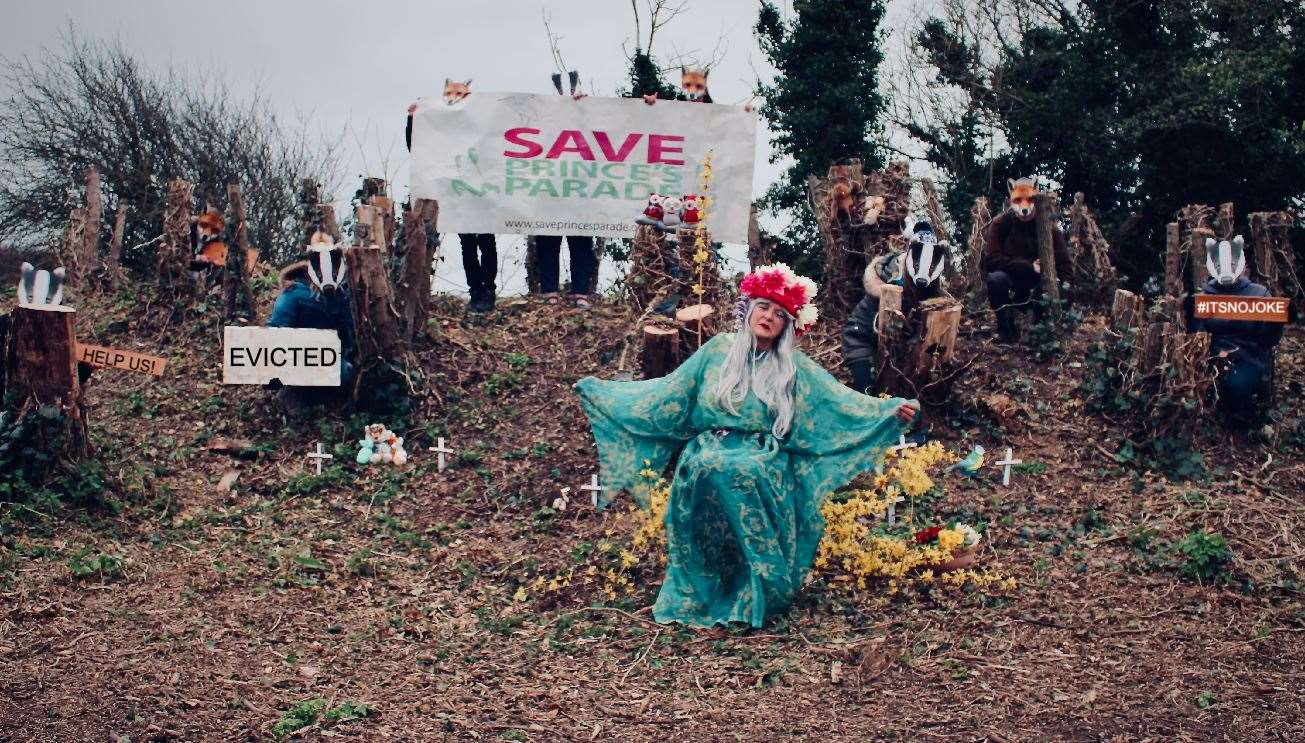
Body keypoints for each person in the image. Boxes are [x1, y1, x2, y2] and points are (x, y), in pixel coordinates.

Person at [575, 263, 918, 628]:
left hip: (762, 457)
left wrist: (888, 411)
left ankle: (756, 589)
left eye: (779, 313)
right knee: (711, 466)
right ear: (748, 308)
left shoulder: (792, 367)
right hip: (709, 449)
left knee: (743, 469)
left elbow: (840, 403)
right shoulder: (717, 350)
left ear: (788, 325)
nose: (768, 316)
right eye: (763, 307)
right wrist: (603, 393)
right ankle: (707, 589)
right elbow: (667, 393)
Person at [405, 82, 498, 312]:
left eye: (460, 94)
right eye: (448, 93)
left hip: (482, 192)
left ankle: (489, 290)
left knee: (486, 243)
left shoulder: (480, 121)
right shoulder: (441, 126)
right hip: (459, 195)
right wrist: (412, 120)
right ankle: (475, 291)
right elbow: (417, 147)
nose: (453, 98)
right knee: (467, 244)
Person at [1187, 235, 1287, 423]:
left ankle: (1241, 416)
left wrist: (1276, 322)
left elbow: (1268, 340)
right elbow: (1197, 334)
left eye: (1232, 265)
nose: (1226, 271)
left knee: (1236, 386)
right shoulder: (1204, 296)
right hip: (1215, 355)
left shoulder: (1259, 294)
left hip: (1250, 355)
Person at [842, 221, 949, 394]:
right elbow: (886, 335)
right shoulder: (890, 280)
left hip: (902, 353)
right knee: (870, 393)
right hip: (862, 339)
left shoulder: (933, 290)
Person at [268, 235, 356, 416]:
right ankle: (292, 396)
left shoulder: (342, 293)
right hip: (299, 356)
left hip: (332, 356)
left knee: (345, 372)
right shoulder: (294, 292)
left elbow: (349, 329)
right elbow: (276, 330)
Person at [983, 177, 1073, 342]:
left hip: (1039, 288)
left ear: (1037, 199)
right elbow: (992, 261)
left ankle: (1041, 331)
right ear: (1010, 199)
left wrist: (1064, 301)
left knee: (1052, 285)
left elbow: (1065, 267)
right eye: (1018, 200)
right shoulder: (1001, 224)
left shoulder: (1048, 227)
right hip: (1011, 284)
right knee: (996, 279)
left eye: (1030, 200)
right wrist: (1028, 266)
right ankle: (1006, 330)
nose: (1024, 206)